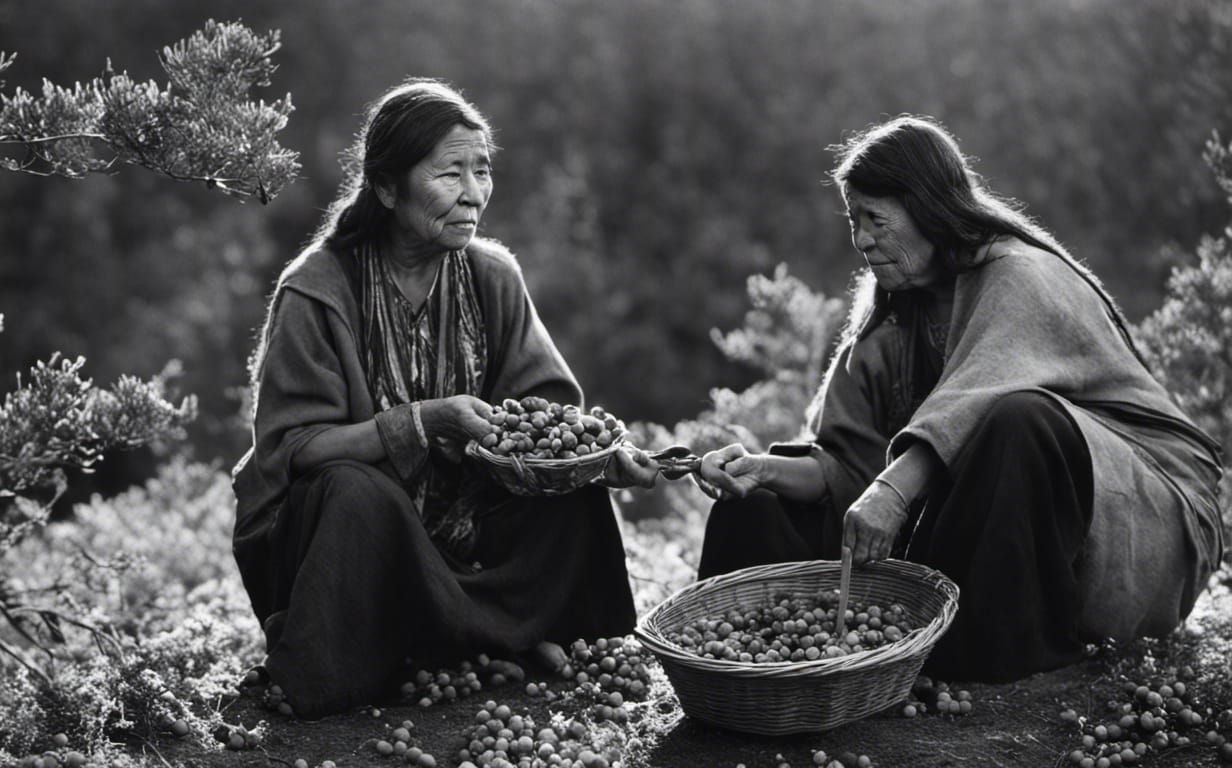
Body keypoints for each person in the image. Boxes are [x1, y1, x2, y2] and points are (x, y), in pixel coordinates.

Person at [695, 116, 1223, 682]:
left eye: (876, 219)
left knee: (1018, 419)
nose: (861, 239)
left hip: (1139, 516)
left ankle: (1004, 653)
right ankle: (737, 675)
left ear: (928, 208)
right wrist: (762, 471)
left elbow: (979, 397)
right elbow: (848, 467)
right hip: (967, 519)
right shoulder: (891, 318)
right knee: (755, 512)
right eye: (854, 220)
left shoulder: (1022, 275)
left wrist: (893, 492)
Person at [231, 79, 657, 716]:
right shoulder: (317, 290)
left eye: (482, 171)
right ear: (386, 188)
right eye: (449, 173)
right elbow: (294, 450)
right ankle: (473, 638)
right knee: (358, 493)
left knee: (571, 493)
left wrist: (603, 457)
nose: (474, 194)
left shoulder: (492, 275)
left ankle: (459, 639)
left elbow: (540, 415)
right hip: (349, 541)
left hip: (461, 528)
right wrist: (422, 423)